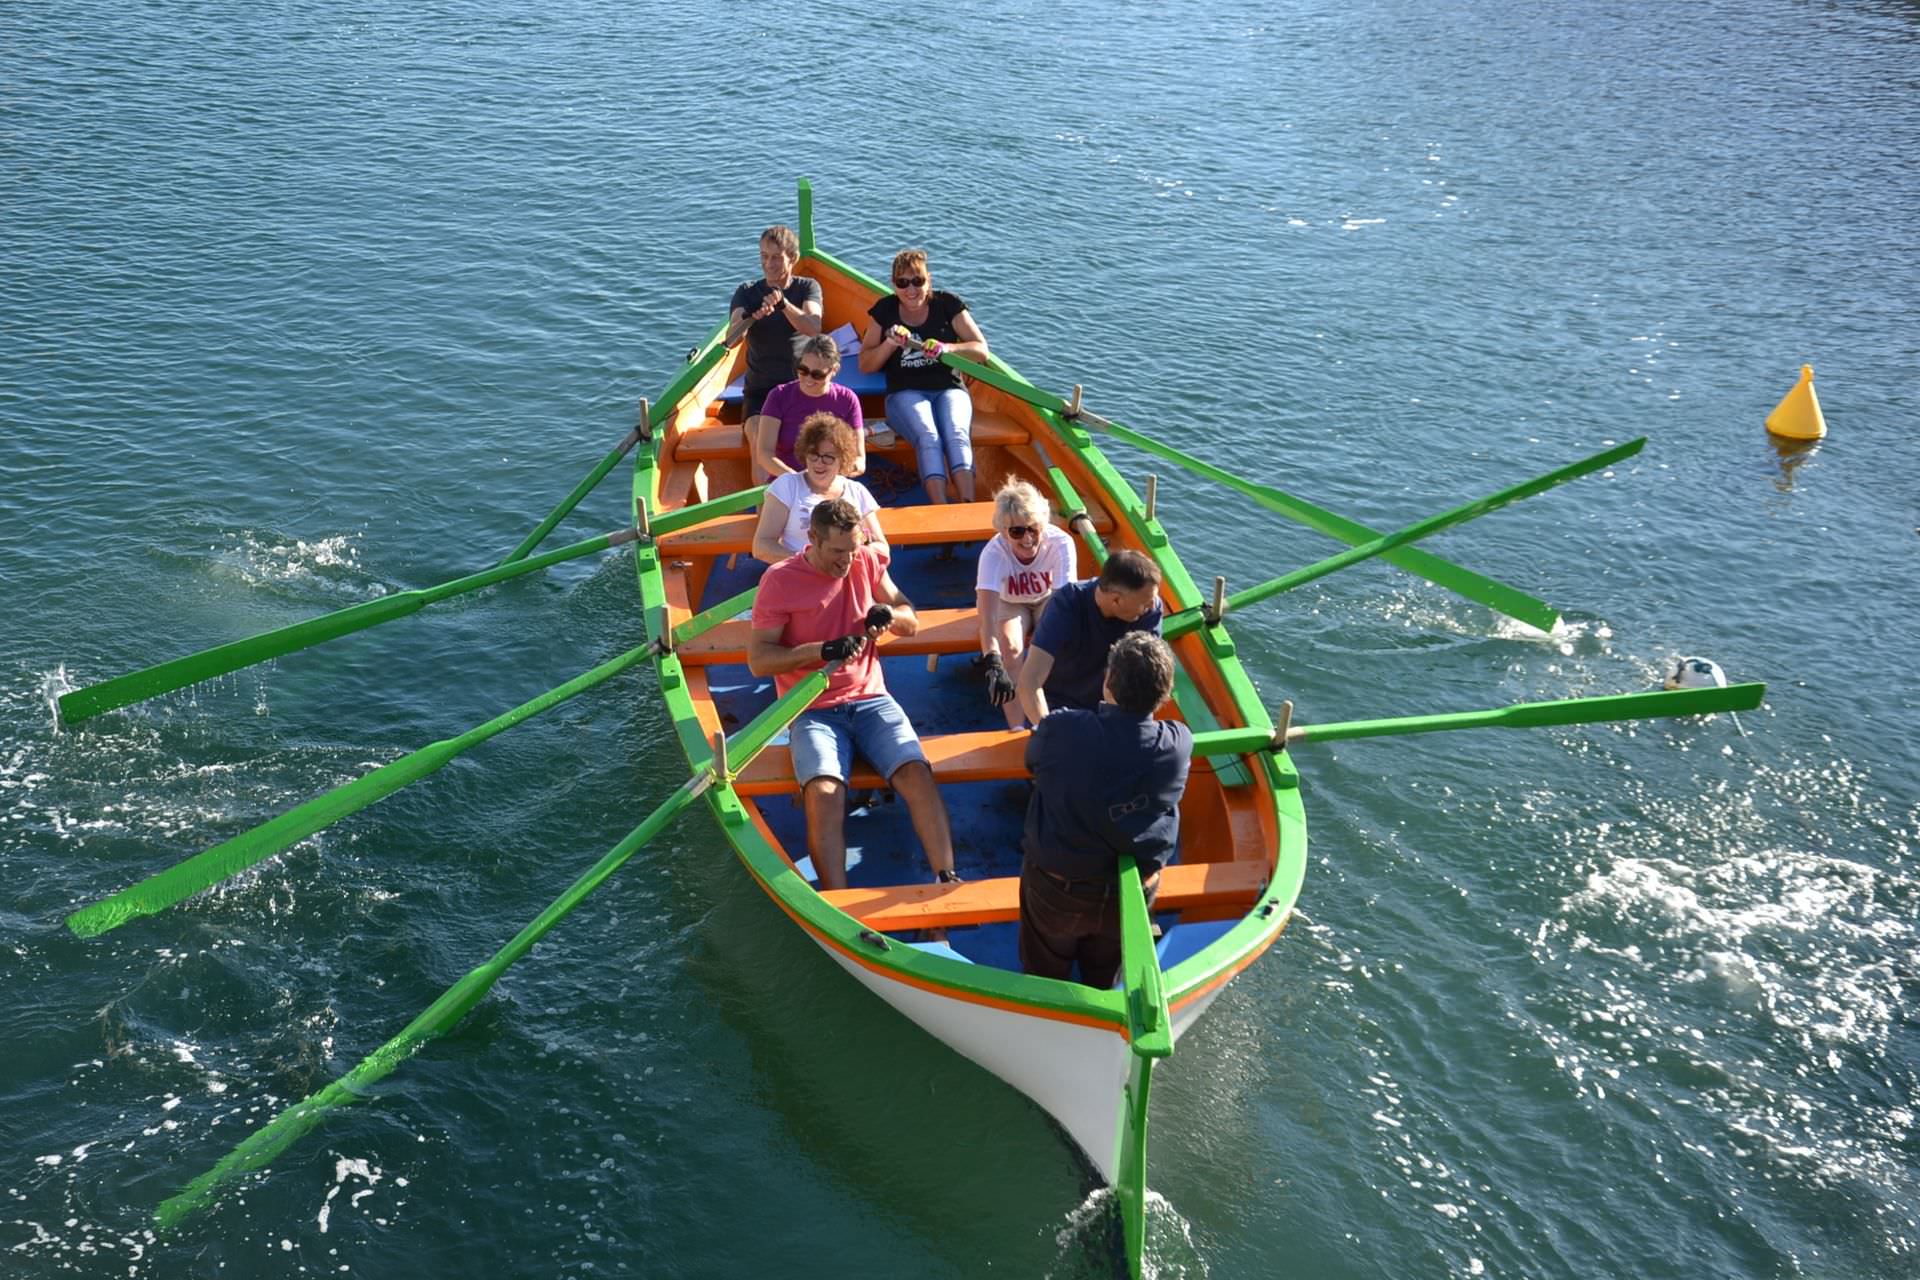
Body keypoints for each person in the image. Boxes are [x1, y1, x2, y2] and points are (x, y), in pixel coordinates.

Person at [748, 497, 959, 891]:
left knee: (917, 773)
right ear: (812, 539)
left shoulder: (866, 560)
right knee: (826, 792)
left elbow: (909, 620)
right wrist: (822, 650)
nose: (846, 561)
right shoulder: (779, 580)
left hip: (870, 698)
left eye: (853, 549)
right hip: (813, 708)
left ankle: (946, 878)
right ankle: (838, 899)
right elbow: (759, 661)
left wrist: (890, 616)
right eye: (837, 552)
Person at [1018, 631, 1191, 988]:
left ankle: (1048, 1005)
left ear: (1107, 682)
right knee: (1105, 969)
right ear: (1165, 693)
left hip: (1058, 886)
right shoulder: (1177, 742)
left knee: (1044, 967)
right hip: (1132, 891)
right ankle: (1100, 998)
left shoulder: (1061, 730)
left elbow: (1032, 763)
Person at [858, 248, 989, 505]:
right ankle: (940, 509)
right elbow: (866, 363)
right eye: (902, 283)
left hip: (949, 388)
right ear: (893, 285)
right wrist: (890, 344)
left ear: (929, 280)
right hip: (904, 393)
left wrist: (946, 348)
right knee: (929, 437)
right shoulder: (885, 311)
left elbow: (981, 350)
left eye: (918, 281)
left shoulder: (948, 305)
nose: (911, 290)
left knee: (956, 433)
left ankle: (967, 507)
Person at [1015, 549, 1164, 726]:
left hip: (1112, 710)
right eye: (1145, 603)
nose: (1151, 605)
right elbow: (1029, 682)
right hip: (1058, 706)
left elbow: (1145, 681)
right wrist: (1050, 732)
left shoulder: (1149, 611)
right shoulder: (1066, 604)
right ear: (1116, 600)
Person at [974, 479, 1075, 730]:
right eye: (1017, 531)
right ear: (1003, 531)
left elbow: (1065, 604)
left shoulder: (1061, 543)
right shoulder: (993, 554)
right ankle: (1017, 727)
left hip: (1047, 599)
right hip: (1009, 603)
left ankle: (1051, 714)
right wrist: (993, 663)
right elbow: (986, 620)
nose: (1027, 537)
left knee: (1057, 643)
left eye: (1033, 529)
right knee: (1011, 649)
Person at [751, 413, 887, 565]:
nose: (819, 463)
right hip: (800, 575)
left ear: (843, 459)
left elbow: (882, 548)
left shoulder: (857, 491)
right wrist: (811, 562)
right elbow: (761, 546)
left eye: (828, 457)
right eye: (813, 455)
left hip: (847, 574)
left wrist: (848, 559)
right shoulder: (787, 486)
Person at [728, 225, 823, 419]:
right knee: (758, 437)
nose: (768, 264)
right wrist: (751, 316)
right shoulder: (746, 292)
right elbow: (730, 340)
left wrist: (784, 305)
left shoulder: (807, 287)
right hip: (759, 391)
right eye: (764, 256)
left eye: (776, 257)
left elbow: (813, 328)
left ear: (793, 259)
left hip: (802, 385)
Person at [747, 335, 866, 482]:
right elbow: (764, 453)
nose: (808, 379)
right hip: (788, 481)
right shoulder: (778, 396)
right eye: (803, 370)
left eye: (817, 374)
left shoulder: (848, 399)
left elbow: (860, 459)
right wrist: (797, 479)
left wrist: (831, 474)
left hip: (831, 482)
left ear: (833, 370)